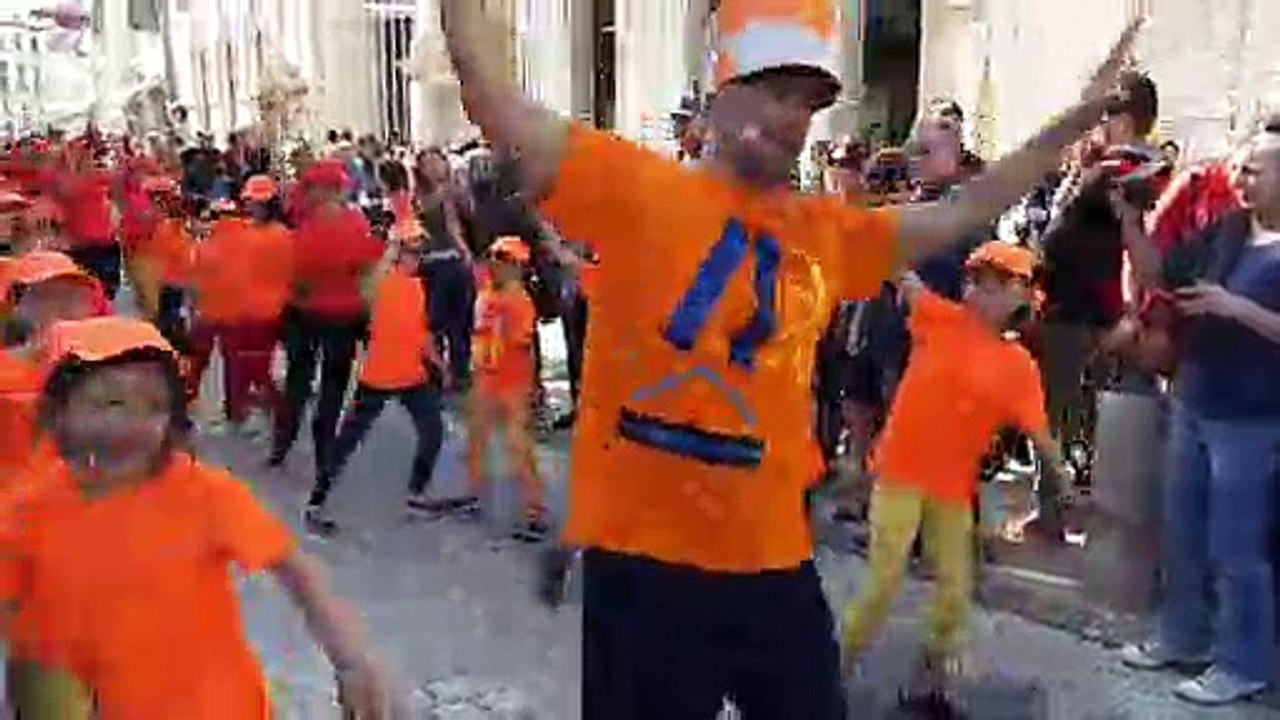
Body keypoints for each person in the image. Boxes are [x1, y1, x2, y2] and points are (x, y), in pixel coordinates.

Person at [439, 0, 1140, 715]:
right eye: (777, 91)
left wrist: (1074, 121)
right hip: (648, 570)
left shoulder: (824, 234)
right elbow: (490, 95)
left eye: (808, 103)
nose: (794, 119)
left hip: (776, 565)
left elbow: (966, 207)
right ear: (722, 92)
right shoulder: (633, 187)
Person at [0, 317, 396, 719]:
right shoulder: (30, 507)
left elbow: (296, 569)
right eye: (110, 402)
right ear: (57, 414)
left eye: (154, 407)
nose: (132, 424)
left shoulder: (203, 493)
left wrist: (352, 659)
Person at [840, 243, 1070, 689]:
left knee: (955, 588)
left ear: (1022, 295)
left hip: (952, 488)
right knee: (883, 581)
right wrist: (874, 229)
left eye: (996, 284)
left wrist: (1064, 482)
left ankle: (933, 672)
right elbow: (900, 274)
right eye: (975, 281)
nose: (979, 291)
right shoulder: (938, 317)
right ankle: (837, 665)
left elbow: (1040, 433)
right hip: (900, 473)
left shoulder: (1017, 365)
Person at [1119, 118, 1280, 706]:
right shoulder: (1231, 228)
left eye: (1256, 170)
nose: (1241, 177)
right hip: (1194, 397)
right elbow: (1162, 271)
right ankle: (1181, 637)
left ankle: (1244, 664)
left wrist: (1236, 308)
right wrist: (1132, 220)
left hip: (1255, 417)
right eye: (1244, 166)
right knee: (1182, 531)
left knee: (1237, 546)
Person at [303, 223, 448, 537]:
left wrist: (439, 363)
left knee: (433, 430)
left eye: (420, 252)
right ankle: (318, 499)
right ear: (398, 253)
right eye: (411, 251)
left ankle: (416, 492)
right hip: (379, 377)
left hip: (412, 375)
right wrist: (392, 249)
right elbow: (367, 292)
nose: (417, 258)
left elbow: (422, 333)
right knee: (348, 439)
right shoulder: (383, 282)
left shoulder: (418, 286)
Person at [271, 159, 384, 470]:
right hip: (343, 315)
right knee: (333, 384)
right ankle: (324, 447)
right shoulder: (354, 224)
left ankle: (283, 440)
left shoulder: (303, 229)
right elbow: (366, 267)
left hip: (303, 312)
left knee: (298, 379)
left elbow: (294, 275)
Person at [444, 236, 548, 541]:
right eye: (493, 256)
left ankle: (535, 513)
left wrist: (535, 385)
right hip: (486, 380)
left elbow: (527, 346)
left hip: (513, 384)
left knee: (519, 448)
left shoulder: (521, 302)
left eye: (502, 258)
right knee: (476, 441)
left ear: (517, 266)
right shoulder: (486, 291)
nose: (495, 262)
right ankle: (473, 496)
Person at [186, 175, 294, 429]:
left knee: (244, 366)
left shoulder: (249, 237)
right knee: (247, 365)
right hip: (270, 312)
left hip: (248, 312)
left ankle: (268, 411)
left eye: (254, 202)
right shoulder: (283, 235)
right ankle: (247, 409)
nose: (251, 207)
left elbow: (216, 270)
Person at [415, 148, 476, 390]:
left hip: (455, 261)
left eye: (437, 162)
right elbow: (448, 225)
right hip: (433, 262)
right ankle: (437, 369)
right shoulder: (421, 196)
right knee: (435, 319)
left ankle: (459, 369)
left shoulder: (455, 189)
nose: (433, 168)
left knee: (460, 320)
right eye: (427, 163)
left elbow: (470, 214)